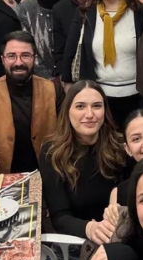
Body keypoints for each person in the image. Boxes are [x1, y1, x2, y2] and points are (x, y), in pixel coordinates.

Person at [62, 0, 143, 124]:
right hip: (100, 102)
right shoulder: (85, 13)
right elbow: (69, 53)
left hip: (139, 99)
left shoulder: (140, 10)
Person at [39, 80, 128, 242]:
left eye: (96, 106)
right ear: (67, 111)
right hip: (79, 239)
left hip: (121, 233)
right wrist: (90, 228)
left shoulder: (121, 146)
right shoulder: (51, 153)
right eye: (80, 106)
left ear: (105, 110)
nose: (89, 114)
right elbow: (59, 218)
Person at [0, 31, 64, 177]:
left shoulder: (54, 89)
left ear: (34, 58)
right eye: (11, 56)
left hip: (49, 175)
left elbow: (66, 133)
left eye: (25, 55)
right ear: (3, 59)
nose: (18, 62)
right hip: (2, 177)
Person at [16, 0, 64, 78]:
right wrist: (47, 79)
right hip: (39, 78)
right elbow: (27, 47)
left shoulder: (69, 3)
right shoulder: (26, 8)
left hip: (70, 77)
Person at [53, 0, 94, 78]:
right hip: (78, 78)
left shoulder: (102, 0)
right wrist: (65, 80)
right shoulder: (60, 9)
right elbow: (60, 52)